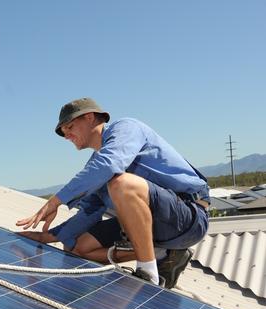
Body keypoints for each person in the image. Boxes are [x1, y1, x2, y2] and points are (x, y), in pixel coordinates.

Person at [17, 97, 209, 288]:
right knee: (76, 246)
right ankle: (163, 253)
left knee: (121, 183)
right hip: (148, 226)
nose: (67, 135)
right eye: (63, 132)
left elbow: (109, 164)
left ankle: (148, 275)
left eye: (70, 127)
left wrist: (55, 201)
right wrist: (47, 237)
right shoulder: (95, 165)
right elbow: (88, 213)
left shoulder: (126, 128)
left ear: (89, 117)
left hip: (188, 218)